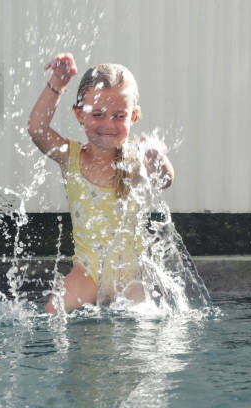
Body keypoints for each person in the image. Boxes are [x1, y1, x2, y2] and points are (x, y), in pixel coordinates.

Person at [28, 53, 174, 314]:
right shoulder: (70, 157)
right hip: (87, 272)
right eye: (98, 114)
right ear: (79, 114)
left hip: (128, 275)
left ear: (134, 117)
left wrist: (154, 155)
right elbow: (37, 128)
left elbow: (164, 180)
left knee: (139, 332)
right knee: (53, 311)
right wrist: (58, 83)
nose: (108, 124)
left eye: (119, 116)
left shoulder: (133, 160)